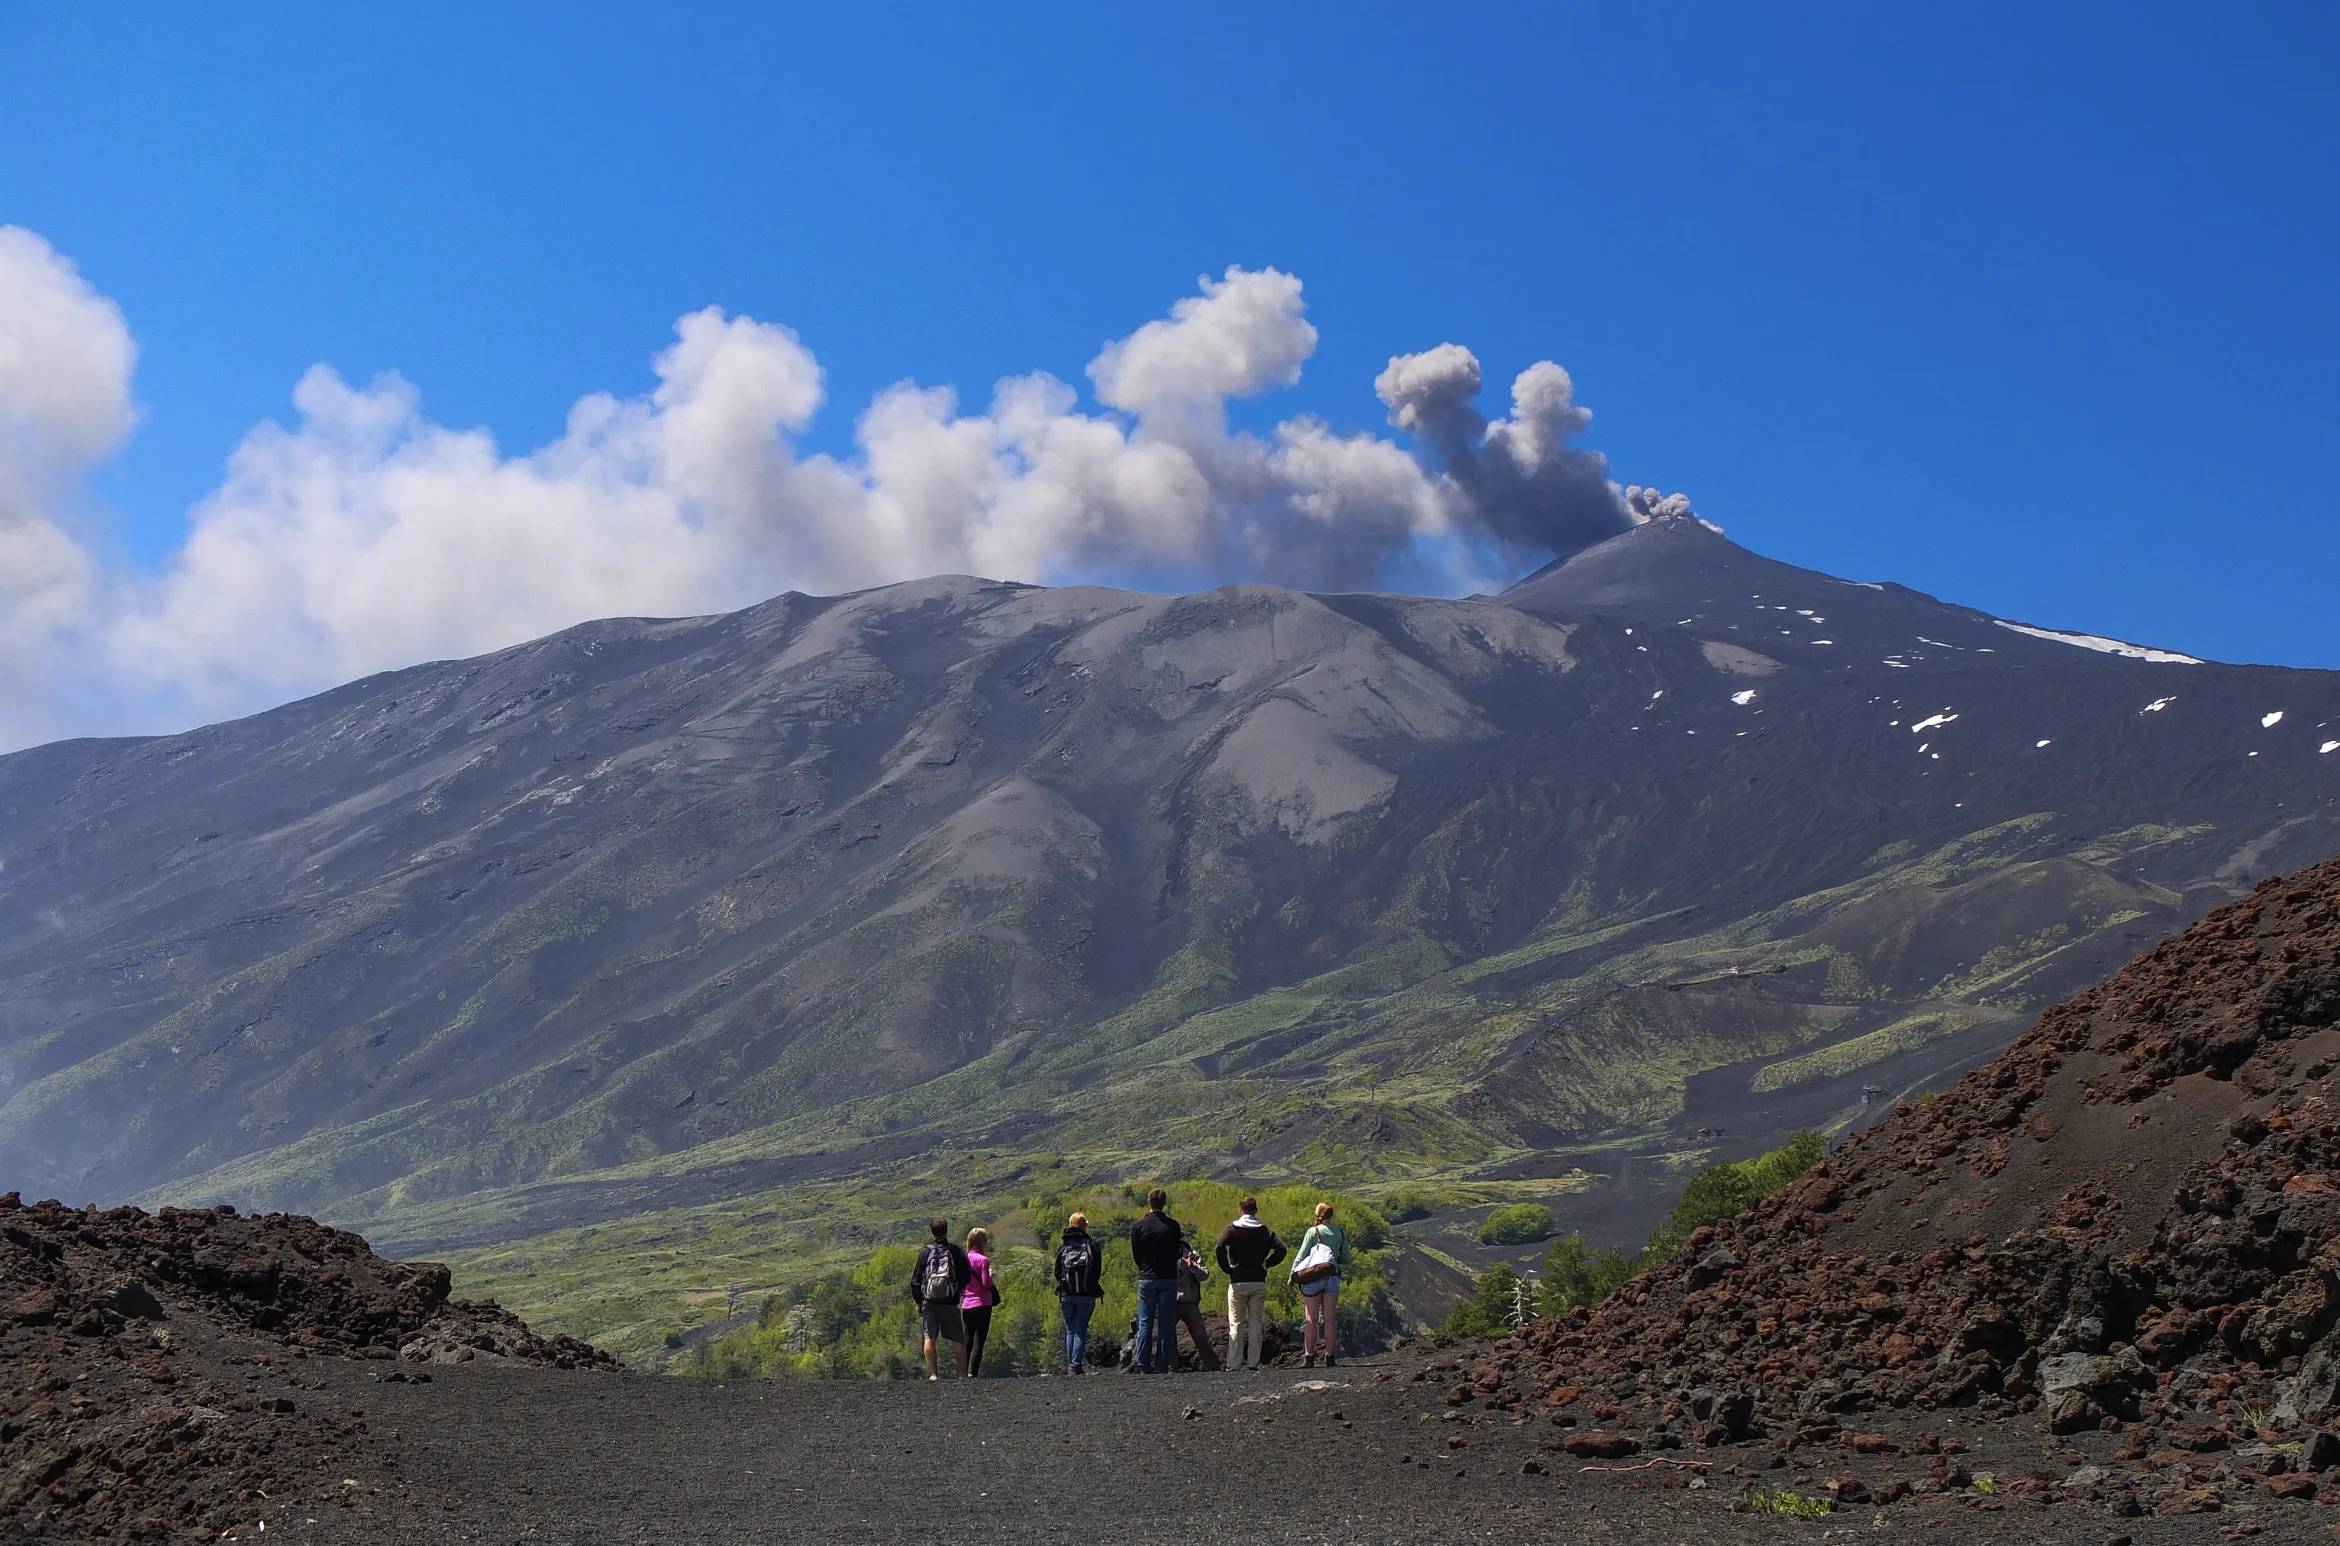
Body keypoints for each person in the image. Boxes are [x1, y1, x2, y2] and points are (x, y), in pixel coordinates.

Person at [1213, 1194, 1286, 1371]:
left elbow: (1219, 1247)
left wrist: (1228, 1268)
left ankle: (1234, 1363)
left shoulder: (1232, 1229)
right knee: (1255, 1323)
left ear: (1240, 1210)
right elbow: (1281, 1249)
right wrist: (1267, 1263)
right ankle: (1253, 1362)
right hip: (1258, 1280)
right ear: (1256, 1211)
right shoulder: (1264, 1230)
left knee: (1236, 1323)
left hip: (1238, 1281)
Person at [907, 1217, 971, 1380]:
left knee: (929, 1337)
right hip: (950, 1301)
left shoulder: (926, 1251)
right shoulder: (955, 1251)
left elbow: (915, 1280)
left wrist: (918, 1302)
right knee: (958, 1338)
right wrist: (956, 1289)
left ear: (932, 1232)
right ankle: (963, 1375)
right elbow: (966, 1275)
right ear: (946, 1230)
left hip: (930, 1301)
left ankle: (934, 1374)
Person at [1290, 1200, 1352, 1368]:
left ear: (1317, 1214)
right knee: (1330, 1319)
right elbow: (1346, 1258)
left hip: (1313, 1278)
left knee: (1311, 1318)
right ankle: (1330, 1357)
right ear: (1331, 1216)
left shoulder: (1313, 1232)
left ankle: (1309, 1357)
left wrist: (1292, 1275)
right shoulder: (1340, 1232)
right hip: (1332, 1277)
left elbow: (1301, 1255)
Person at [1128, 1188, 1183, 1374]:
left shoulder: (1139, 1226)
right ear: (1164, 1203)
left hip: (1147, 1278)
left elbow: (1136, 1253)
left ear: (1148, 1202)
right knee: (1166, 1323)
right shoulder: (1174, 1226)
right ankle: (1161, 1363)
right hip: (1168, 1278)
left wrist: (1144, 1268)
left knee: (1145, 1323)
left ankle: (1142, 1364)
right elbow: (1177, 1252)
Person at [1053, 1211, 1103, 1373]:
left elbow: (1057, 1272)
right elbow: (1097, 1270)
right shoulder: (1091, 1245)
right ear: (1084, 1226)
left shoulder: (1064, 1246)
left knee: (1070, 1329)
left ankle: (1072, 1365)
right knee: (1080, 1330)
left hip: (1066, 1294)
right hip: (1086, 1294)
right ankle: (1076, 1366)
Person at [1173, 1239, 1222, 1372]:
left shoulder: (1194, 1257)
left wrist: (1192, 1266)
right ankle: (1172, 1365)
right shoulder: (1168, 1255)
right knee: (1168, 1335)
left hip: (1190, 1302)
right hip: (1173, 1302)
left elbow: (1204, 1275)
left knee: (1200, 1335)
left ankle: (1212, 1366)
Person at [961, 1227, 1000, 1378]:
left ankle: (962, 1372)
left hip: (966, 1304)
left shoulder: (964, 1259)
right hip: (982, 1304)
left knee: (967, 1339)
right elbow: (986, 1284)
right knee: (979, 1341)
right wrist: (989, 1275)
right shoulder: (983, 1260)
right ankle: (973, 1373)